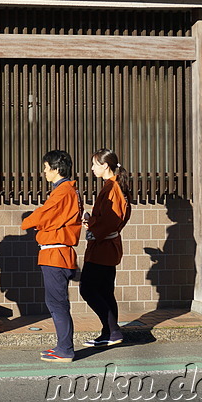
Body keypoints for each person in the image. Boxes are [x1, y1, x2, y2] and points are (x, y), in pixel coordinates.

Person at [21, 150, 82, 363]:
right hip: (55, 252)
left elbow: (46, 215)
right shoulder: (64, 190)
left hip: (56, 253)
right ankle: (63, 346)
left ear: (56, 168)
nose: (44, 172)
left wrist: (29, 221)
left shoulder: (64, 191)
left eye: (46, 168)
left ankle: (65, 349)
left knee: (57, 303)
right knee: (57, 303)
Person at [79, 149, 131, 348]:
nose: (92, 168)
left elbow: (111, 220)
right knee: (105, 290)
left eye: (94, 164)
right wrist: (93, 222)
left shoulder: (112, 188)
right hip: (108, 245)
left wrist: (91, 222)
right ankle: (109, 332)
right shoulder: (115, 186)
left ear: (105, 166)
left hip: (103, 246)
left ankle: (113, 330)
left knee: (88, 288)